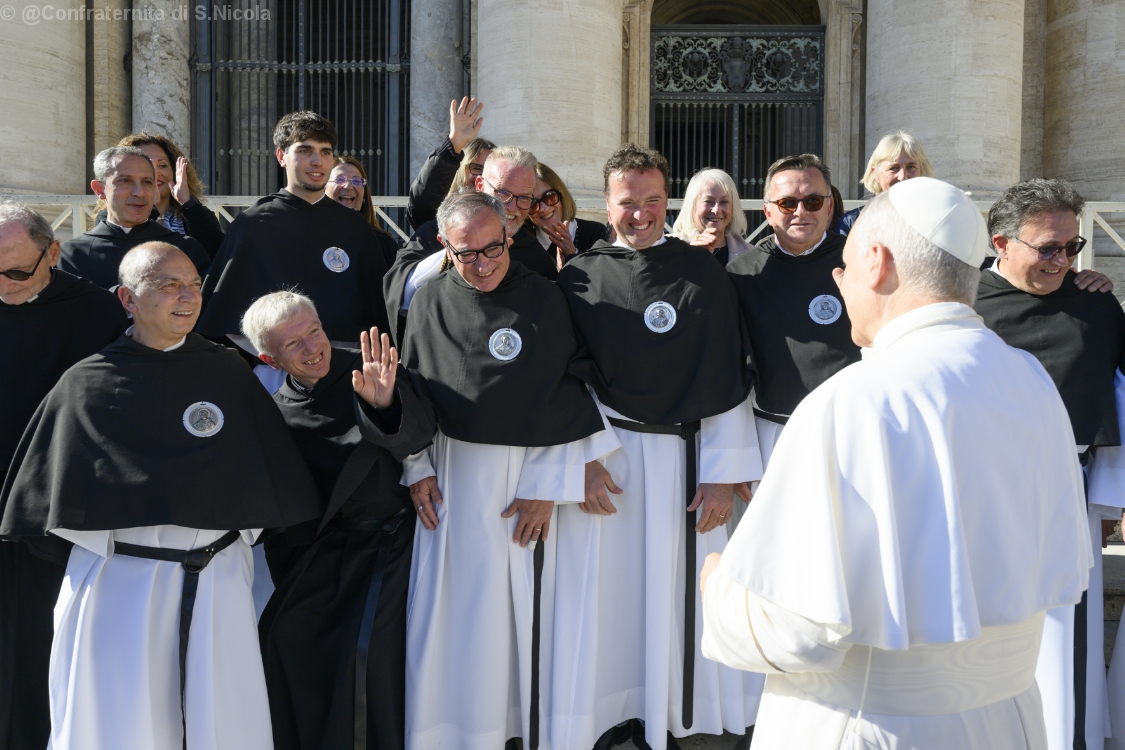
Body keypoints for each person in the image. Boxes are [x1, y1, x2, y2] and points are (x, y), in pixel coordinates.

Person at [700, 177, 1092, 749]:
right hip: (1007, 723)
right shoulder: (1029, 378)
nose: (839, 280)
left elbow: (794, 632)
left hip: (871, 727)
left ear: (877, 262)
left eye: (845, 265)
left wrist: (718, 592)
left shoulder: (852, 400)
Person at [0, 241, 321, 750]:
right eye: (169, 285)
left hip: (217, 581)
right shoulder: (86, 383)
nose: (187, 296)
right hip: (119, 587)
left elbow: (269, 480)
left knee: (225, 724)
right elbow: (48, 504)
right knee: (122, 725)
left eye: (194, 284)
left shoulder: (229, 374)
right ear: (128, 298)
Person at [387, 191, 620, 750]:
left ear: (508, 239)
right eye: (468, 254)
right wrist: (416, 465)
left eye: (495, 249)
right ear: (445, 248)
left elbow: (567, 389)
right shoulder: (428, 301)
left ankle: (518, 731)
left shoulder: (546, 298)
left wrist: (547, 486)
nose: (485, 263)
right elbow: (414, 392)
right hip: (451, 479)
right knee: (450, 616)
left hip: (523, 484)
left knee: (522, 619)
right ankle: (451, 730)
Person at [551, 144, 762, 750]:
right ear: (607, 203)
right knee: (610, 596)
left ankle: (681, 715)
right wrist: (582, 459)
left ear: (665, 199)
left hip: (685, 463)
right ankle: (614, 712)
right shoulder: (579, 278)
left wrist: (722, 474)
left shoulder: (701, 273)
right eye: (627, 203)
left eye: (650, 201)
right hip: (609, 460)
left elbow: (727, 373)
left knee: (681, 599)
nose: (640, 214)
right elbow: (564, 376)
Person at [243, 293, 435, 750]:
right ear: (269, 358)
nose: (313, 348)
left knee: (361, 653)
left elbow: (418, 434)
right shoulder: (274, 412)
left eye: (314, 331)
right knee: (279, 635)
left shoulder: (369, 369)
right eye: (294, 345)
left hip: (389, 545)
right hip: (321, 552)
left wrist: (384, 403)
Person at [974, 178, 1125, 750]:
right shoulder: (964, 305)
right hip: (983, 492)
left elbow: (1120, 393)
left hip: (1069, 487)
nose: (1062, 261)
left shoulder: (1095, 304)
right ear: (1002, 242)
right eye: (1048, 248)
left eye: (1072, 247)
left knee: (1065, 636)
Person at [0, 204, 127, 750]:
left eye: (15, 273)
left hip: (45, 514)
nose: (1, 286)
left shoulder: (95, 313)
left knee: (33, 649)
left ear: (53, 253)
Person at [197, 111, 392, 391]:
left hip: (347, 373)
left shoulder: (355, 227)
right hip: (276, 375)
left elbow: (378, 311)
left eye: (325, 152)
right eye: (305, 150)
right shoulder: (253, 224)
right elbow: (222, 318)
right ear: (281, 156)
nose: (317, 161)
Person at [725, 154, 859, 532]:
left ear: (830, 207)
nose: (801, 211)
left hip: (846, 439)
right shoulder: (741, 275)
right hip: (770, 437)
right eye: (788, 203)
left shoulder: (860, 265)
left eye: (813, 201)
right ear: (768, 211)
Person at [384, 146, 557, 345]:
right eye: (502, 193)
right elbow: (401, 296)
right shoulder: (435, 233)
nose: (511, 207)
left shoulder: (536, 256)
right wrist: (455, 252)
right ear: (480, 185)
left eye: (524, 198)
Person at [59, 146, 210, 289]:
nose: (139, 192)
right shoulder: (71, 256)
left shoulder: (186, 249)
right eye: (125, 181)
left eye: (147, 182)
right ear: (100, 189)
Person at [117, 131, 227, 257]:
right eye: (145, 165)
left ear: (174, 171)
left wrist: (187, 203)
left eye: (162, 165)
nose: (155, 173)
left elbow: (218, 256)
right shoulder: (113, 216)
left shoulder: (197, 214)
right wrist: (150, 208)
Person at [406, 97, 493, 229]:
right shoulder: (440, 217)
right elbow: (422, 206)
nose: (481, 177)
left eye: (488, 170)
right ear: (460, 169)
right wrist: (454, 144)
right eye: (476, 168)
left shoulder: (505, 219)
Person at [833, 131, 933, 237]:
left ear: (921, 171)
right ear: (875, 174)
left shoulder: (936, 218)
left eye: (911, 167)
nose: (903, 176)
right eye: (893, 168)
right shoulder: (850, 224)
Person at [326, 155, 401, 268]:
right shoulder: (309, 236)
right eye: (340, 180)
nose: (348, 186)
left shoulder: (384, 245)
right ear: (323, 189)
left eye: (356, 181)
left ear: (364, 195)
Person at [528, 162, 609, 265]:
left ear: (562, 195)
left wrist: (572, 253)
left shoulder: (596, 234)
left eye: (549, 196)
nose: (543, 208)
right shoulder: (523, 243)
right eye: (532, 203)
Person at [670, 168, 751, 267]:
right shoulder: (669, 250)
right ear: (692, 206)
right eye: (708, 201)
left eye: (724, 202)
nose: (716, 210)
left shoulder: (751, 255)